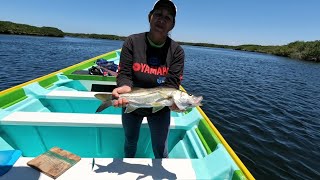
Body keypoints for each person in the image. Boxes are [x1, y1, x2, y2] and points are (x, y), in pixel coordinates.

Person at [112, 0, 184, 158]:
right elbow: (124, 73)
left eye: (167, 17)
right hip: (132, 102)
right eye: (158, 14)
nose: (162, 19)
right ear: (150, 17)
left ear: (172, 25)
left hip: (160, 109)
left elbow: (172, 84)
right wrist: (124, 87)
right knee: (130, 141)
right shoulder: (132, 42)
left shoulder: (177, 52)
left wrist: (174, 103)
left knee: (160, 147)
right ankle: (128, 165)